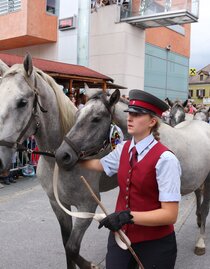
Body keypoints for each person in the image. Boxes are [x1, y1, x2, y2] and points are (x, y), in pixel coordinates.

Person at [81, 89, 181, 269]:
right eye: (129, 114)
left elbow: (170, 214)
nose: (129, 118)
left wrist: (127, 216)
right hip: (121, 238)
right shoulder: (124, 148)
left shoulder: (166, 160)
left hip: (155, 244)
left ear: (152, 122)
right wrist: (70, 160)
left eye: (136, 115)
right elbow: (99, 165)